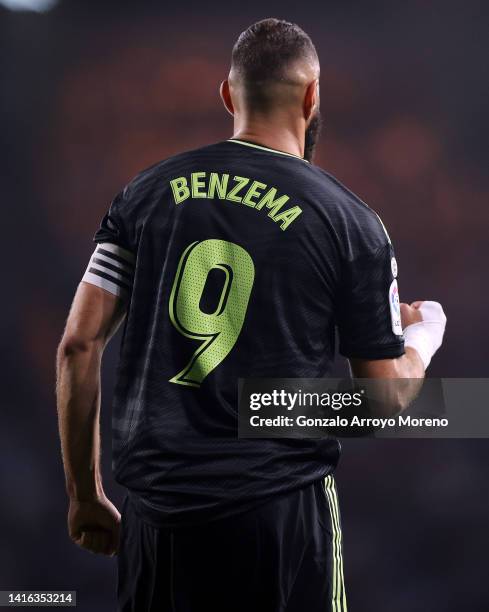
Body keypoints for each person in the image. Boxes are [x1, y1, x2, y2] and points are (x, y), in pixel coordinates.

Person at [55, 18, 446, 612]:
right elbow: (382, 402)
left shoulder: (144, 193)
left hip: (155, 520)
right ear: (313, 97)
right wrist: (423, 337)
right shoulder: (350, 221)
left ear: (227, 94)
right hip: (276, 514)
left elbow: (77, 347)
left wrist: (85, 495)